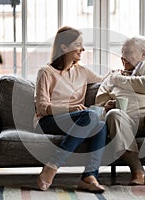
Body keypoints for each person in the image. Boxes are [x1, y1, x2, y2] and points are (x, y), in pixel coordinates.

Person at [95, 36, 145, 189]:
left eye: (128, 53)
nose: (123, 57)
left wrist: (117, 79)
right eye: (122, 52)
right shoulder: (114, 76)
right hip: (127, 122)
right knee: (113, 115)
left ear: (143, 54)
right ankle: (138, 172)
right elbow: (99, 101)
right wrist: (106, 105)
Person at [34, 26, 107, 193]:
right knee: (91, 115)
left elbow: (106, 81)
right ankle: (52, 165)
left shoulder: (82, 71)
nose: (83, 49)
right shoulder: (46, 72)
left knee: (101, 124)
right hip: (47, 121)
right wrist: (70, 108)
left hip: (77, 119)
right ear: (64, 47)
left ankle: (89, 176)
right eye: (78, 44)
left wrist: (124, 75)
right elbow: (42, 107)